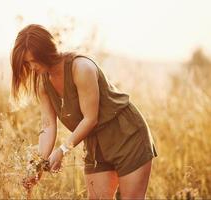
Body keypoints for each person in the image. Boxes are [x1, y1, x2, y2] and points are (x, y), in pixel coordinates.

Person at [10, 24, 158, 199]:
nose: (31, 67)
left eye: (33, 60)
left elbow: (90, 119)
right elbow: (48, 124)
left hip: (127, 136)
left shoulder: (81, 68)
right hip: (96, 145)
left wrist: (63, 150)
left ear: (46, 52)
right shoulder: (42, 82)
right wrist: (37, 166)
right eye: (27, 63)